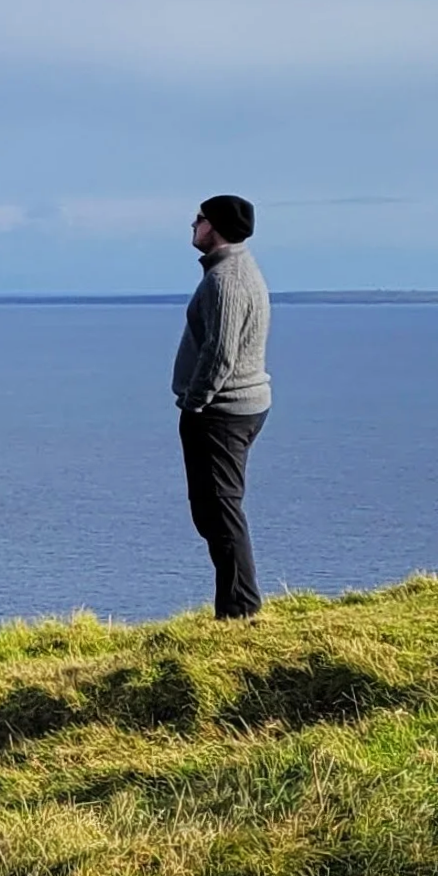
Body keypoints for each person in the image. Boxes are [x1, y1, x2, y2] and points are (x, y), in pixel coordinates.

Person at [173, 193, 271, 619]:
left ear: (213, 226)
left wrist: (195, 404)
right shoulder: (232, 270)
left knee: (221, 511)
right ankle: (236, 607)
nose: (192, 226)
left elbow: (220, 353)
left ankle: (239, 612)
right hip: (235, 407)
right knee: (216, 511)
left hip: (221, 412)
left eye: (198, 219)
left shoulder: (225, 279)